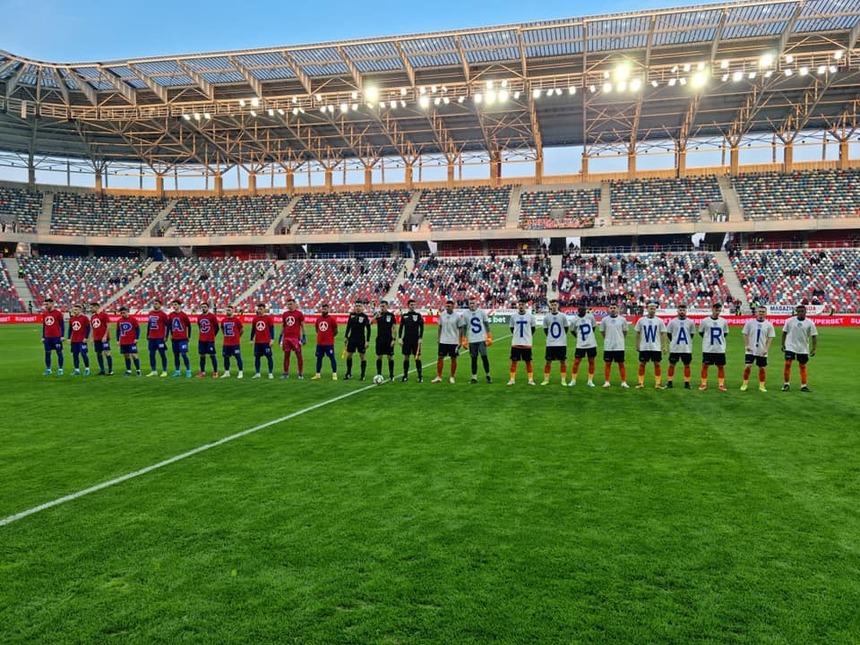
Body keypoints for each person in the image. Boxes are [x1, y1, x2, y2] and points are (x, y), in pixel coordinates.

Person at [781, 304, 818, 392]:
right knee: (787, 364)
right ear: (796, 312)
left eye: (803, 311)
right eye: (799, 311)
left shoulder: (810, 323)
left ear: (805, 312)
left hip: (803, 347)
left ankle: (803, 386)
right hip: (790, 346)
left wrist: (814, 348)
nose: (801, 313)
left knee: (802, 366)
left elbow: (814, 336)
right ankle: (786, 384)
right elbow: (784, 333)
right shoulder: (789, 321)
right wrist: (782, 344)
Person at [740, 305, 775, 392]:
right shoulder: (749, 323)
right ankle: (744, 384)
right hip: (750, 350)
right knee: (748, 366)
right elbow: (745, 333)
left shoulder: (769, 325)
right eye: (760, 312)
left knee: (762, 368)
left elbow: (770, 338)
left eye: (763, 312)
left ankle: (762, 385)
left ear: (766, 313)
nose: (761, 313)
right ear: (756, 313)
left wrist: (766, 349)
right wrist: (747, 345)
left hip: (762, 350)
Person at [634, 302, 668, 389]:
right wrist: (637, 345)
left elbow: (663, 333)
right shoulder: (641, 320)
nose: (652, 310)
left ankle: (658, 383)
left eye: (654, 309)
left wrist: (664, 346)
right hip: (644, 347)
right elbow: (637, 333)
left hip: (655, 347)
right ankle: (640, 383)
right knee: (642, 364)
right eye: (651, 308)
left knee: (657, 364)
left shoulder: (659, 321)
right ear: (647, 309)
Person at [432, 299, 466, 383]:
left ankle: (452, 376)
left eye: (449, 306)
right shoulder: (442, 315)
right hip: (443, 341)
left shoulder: (457, 316)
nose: (447, 308)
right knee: (440, 358)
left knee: (453, 358)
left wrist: (460, 341)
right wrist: (438, 338)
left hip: (453, 341)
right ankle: (439, 376)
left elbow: (461, 329)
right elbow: (440, 327)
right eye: (446, 306)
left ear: (453, 307)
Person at [698, 302, 729, 391]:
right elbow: (701, 332)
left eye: (719, 311)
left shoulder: (723, 321)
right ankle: (703, 384)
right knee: (705, 365)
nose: (718, 312)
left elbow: (725, 333)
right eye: (716, 310)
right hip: (708, 348)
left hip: (720, 348)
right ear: (712, 309)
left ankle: (721, 384)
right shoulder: (705, 321)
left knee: (720, 366)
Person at [598, 303, 629, 388]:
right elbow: (602, 331)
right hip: (608, 346)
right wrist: (607, 338)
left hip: (619, 346)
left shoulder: (623, 319)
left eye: (614, 308)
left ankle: (623, 382)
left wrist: (621, 339)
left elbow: (625, 331)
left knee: (621, 364)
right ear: (609, 309)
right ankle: (607, 381)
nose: (612, 309)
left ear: (617, 309)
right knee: (608, 363)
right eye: (611, 308)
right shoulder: (604, 320)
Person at [665, 303, 695, 389]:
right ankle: (670, 382)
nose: (682, 312)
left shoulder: (690, 322)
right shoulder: (672, 322)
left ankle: (687, 383)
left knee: (687, 365)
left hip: (686, 348)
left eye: (683, 310)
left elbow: (692, 334)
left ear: (686, 311)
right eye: (680, 310)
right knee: (672, 365)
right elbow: (669, 334)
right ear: (677, 311)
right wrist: (674, 341)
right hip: (675, 348)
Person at [464, 296, 492, 384]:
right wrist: (464, 339)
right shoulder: (466, 314)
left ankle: (488, 375)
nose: (472, 305)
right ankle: (474, 377)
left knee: (484, 357)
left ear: (476, 303)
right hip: (472, 340)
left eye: (473, 303)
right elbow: (464, 327)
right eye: (470, 303)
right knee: (473, 359)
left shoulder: (481, 312)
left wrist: (489, 336)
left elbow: (486, 324)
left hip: (481, 339)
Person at [541, 298, 569, 386]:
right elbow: (545, 330)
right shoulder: (546, 317)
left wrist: (561, 338)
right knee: (548, 361)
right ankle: (546, 379)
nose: (554, 306)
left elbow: (566, 328)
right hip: (550, 343)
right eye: (552, 305)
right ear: (550, 306)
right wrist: (551, 338)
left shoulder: (563, 316)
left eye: (555, 305)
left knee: (563, 361)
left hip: (561, 343)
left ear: (558, 305)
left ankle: (563, 380)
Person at [507, 300, 536, 386]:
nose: (521, 306)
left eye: (522, 305)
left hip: (527, 343)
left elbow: (533, 329)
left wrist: (527, 337)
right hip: (516, 343)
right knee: (514, 361)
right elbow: (512, 328)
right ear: (517, 306)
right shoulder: (513, 317)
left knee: (528, 362)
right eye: (519, 305)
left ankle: (530, 380)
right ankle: (512, 379)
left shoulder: (530, 316)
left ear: (525, 306)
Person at [568, 304, 597, 387]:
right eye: (580, 309)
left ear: (585, 309)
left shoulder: (590, 317)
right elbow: (572, 331)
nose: (582, 311)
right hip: (580, 344)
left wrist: (590, 336)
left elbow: (594, 327)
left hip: (591, 344)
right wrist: (578, 337)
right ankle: (573, 380)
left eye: (583, 309)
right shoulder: (574, 320)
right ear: (578, 310)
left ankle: (590, 381)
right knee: (576, 362)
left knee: (591, 361)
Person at [279, 297, 306, 379]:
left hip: (295, 338)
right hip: (286, 338)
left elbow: (303, 326)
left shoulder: (299, 314)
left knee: (299, 356)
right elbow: (283, 326)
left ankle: (300, 373)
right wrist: (280, 336)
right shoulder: (285, 314)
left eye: (291, 304)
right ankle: (285, 373)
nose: (289, 306)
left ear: (294, 305)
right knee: (286, 356)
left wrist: (304, 337)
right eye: (288, 304)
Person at [344, 301, 371, 380]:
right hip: (352, 338)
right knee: (349, 356)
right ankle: (348, 373)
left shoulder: (365, 316)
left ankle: (362, 374)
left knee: (362, 356)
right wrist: (346, 336)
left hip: (361, 339)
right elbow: (348, 326)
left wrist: (367, 341)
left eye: (359, 306)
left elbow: (368, 329)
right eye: (356, 306)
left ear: (362, 307)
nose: (358, 307)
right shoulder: (351, 315)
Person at [398, 299, 424, 382]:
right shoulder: (404, 316)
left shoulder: (418, 315)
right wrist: (399, 338)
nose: (413, 306)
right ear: (408, 306)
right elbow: (401, 328)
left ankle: (420, 376)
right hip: (406, 340)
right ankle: (405, 375)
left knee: (417, 358)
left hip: (416, 340)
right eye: (411, 305)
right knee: (406, 357)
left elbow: (422, 327)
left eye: (414, 305)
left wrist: (420, 338)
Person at [312, 302, 338, 380]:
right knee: (319, 358)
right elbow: (317, 329)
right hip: (320, 343)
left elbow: (336, 330)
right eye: (323, 309)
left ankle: (334, 374)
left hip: (329, 343)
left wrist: (330, 336)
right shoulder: (318, 319)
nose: (323, 310)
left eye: (325, 309)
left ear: (328, 310)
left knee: (332, 358)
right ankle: (318, 374)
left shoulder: (332, 319)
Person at [249, 302, 275, 379]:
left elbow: (272, 330)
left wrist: (272, 339)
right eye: (258, 309)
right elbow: (253, 330)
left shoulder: (268, 318)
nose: (259, 310)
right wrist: (251, 339)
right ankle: (257, 373)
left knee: (269, 357)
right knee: (257, 357)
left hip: (266, 342)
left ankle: (270, 373)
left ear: (264, 309)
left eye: (261, 309)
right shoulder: (255, 319)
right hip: (258, 342)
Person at [168, 299, 193, 378]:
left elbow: (189, 326)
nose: (174, 306)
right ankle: (177, 371)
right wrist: (171, 334)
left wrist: (188, 336)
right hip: (174, 338)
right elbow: (170, 326)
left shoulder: (183, 315)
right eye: (173, 305)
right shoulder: (171, 315)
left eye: (175, 304)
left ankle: (188, 370)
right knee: (176, 355)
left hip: (182, 338)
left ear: (179, 305)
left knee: (184, 354)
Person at [41, 297, 65, 376]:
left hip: (56, 337)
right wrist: (43, 336)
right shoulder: (44, 313)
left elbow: (62, 325)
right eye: (45, 304)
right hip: (47, 337)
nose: (45, 306)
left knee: (59, 352)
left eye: (47, 304)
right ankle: (48, 369)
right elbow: (44, 325)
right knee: (47, 353)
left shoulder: (58, 313)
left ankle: (60, 369)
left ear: (52, 304)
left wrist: (62, 336)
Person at [374, 300, 397, 381]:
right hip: (379, 339)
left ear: (387, 306)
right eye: (381, 306)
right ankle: (379, 374)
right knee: (379, 357)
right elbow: (369, 323)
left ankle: (391, 375)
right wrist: (376, 315)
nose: (382, 308)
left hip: (388, 339)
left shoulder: (391, 315)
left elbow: (394, 328)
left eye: (383, 306)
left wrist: (394, 339)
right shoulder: (378, 315)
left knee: (390, 357)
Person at [145, 299, 169, 377]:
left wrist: (166, 336)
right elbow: (149, 324)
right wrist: (148, 334)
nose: (155, 305)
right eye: (154, 304)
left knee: (162, 354)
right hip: (152, 337)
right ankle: (153, 370)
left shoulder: (163, 314)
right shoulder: (150, 313)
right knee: (151, 354)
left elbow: (167, 326)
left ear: (160, 305)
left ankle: (164, 370)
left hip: (160, 338)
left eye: (156, 304)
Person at [219, 304, 244, 379]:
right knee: (226, 357)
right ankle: (227, 372)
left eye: (229, 310)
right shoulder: (223, 320)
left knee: (238, 357)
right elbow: (222, 329)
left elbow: (242, 329)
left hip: (235, 343)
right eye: (227, 310)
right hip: (226, 343)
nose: (228, 311)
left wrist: (237, 336)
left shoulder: (236, 320)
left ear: (233, 311)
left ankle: (240, 372)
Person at [196, 302, 220, 378]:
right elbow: (199, 326)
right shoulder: (199, 317)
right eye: (202, 307)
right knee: (202, 356)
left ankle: (215, 372)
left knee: (212, 356)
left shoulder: (212, 316)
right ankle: (202, 372)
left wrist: (213, 335)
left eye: (205, 307)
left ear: (208, 308)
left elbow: (217, 327)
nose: (203, 308)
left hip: (210, 340)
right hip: (201, 340)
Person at [89, 301, 113, 375]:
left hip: (104, 338)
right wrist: (92, 337)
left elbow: (108, 326)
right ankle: (102, 370)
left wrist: (105, 336)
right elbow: (93, 328)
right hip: (96, 338)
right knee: (98, 353)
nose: (90, 309)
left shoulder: (104, 315)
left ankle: (110, 370)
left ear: (96, 307)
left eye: (91, 307)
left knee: (107, 352)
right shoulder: (92, 316)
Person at [116, 305, 141, 376]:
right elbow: (118, 331)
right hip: (123, 341)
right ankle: (128, 370)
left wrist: (136, 338)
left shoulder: (133, 319)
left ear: (127, 312)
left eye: (123, 313)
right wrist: (118, 340)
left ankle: (138, 370)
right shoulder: (119, 321)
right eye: (121, 313)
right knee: (126, 356)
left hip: (131, 341)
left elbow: (137, 329)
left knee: (134, 355)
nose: (122, 314)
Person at [67, 304, 91, 376]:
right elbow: (70, 329)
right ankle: (76, 370)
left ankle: (87, 369)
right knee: (75, 355)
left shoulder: (84, 318)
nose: (75, 311)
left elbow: (88, 328)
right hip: (74, 340)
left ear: (80, 310)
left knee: (83, 354)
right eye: (74, 310)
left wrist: (86, 337)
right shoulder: (71, 319)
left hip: (82, 340)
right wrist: (69, 338)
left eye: (76, 310)